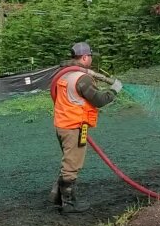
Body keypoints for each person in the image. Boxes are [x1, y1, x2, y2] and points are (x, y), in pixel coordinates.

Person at [49, 42, 123, 213]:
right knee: (72, 163)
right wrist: (114, 90)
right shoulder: (82, 78)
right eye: (90, 56)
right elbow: (99, 100)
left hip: (63, 125)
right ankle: (69, 204)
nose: (91, 59)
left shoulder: (64, 75)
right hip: (74, 126)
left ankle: (56, 195)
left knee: (69, 159)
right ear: (84, 57)